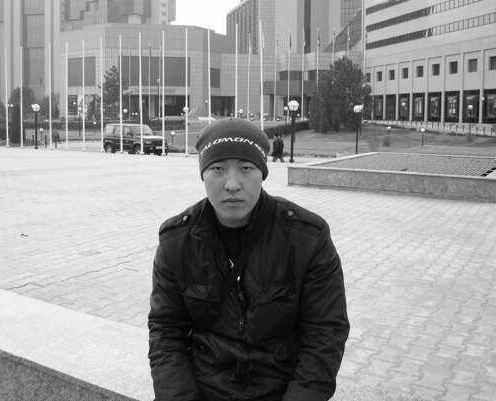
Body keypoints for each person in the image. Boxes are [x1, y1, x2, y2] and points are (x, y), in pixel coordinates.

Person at [148, 118, 349, 401]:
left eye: (246, 168)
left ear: (262, 173)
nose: (232, 184)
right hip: (204, 390)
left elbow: (325, 333)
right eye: (218, 169)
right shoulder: (177, 241)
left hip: (281, 390)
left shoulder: (307, 238)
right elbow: (166, 333)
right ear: (203, 174)